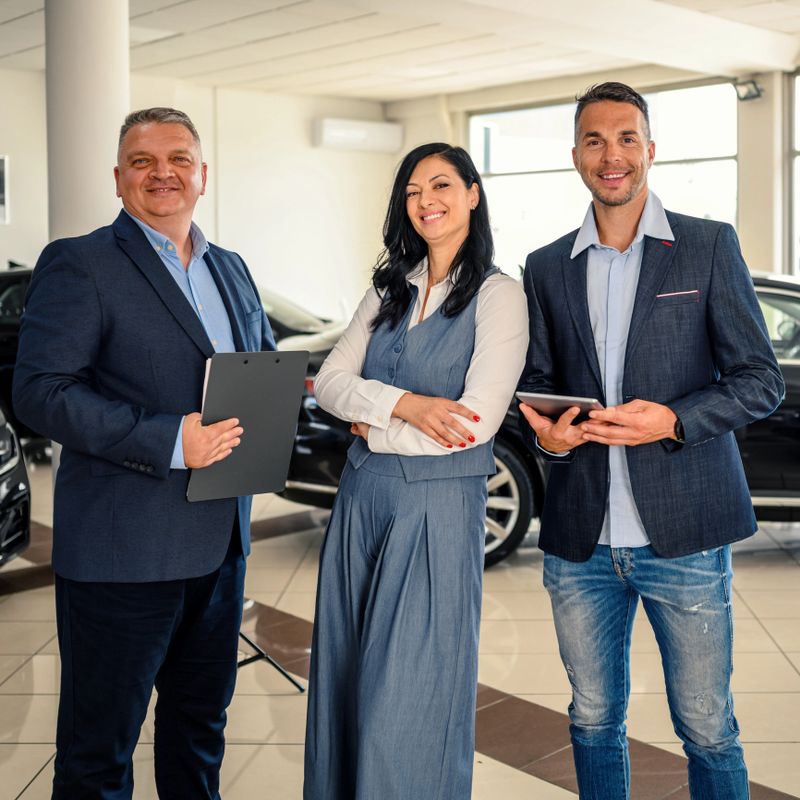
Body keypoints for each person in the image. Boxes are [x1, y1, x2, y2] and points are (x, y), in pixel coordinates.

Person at [517, 81, 784, 799]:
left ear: (651, 149)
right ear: (576, 155)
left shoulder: (707, 245)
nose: (612, 156)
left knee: (707, 726)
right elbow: (539, 384)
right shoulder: (545, 266)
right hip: (580, 541)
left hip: (687, 536)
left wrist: (670, 420)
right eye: (595, 140)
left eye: (626, 138)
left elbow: (761, 380)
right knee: (592, 719)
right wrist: (553, 440)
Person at [13, 107, 276, 799]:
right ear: (118, 177)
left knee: (199, 733)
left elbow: (258, 371)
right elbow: (40, 393)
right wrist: (168, 439)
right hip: (121, 552)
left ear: (203, 174)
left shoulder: (231, 268)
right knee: (99, 754)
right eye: (143, 160)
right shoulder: (81, 262)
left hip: (220, 547)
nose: (163, 173)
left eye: (179, 159)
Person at [303, 142, 528, 799]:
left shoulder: (499, 297)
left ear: (472, 194)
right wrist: (407, 406)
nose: (426, 201)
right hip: (361, 503)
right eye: (412, 191)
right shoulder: (388, 289)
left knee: (409, 689)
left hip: (436, 510)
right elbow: (329, 384)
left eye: (441, 185)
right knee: (345, 679)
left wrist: (374, 425)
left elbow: (473, 424)